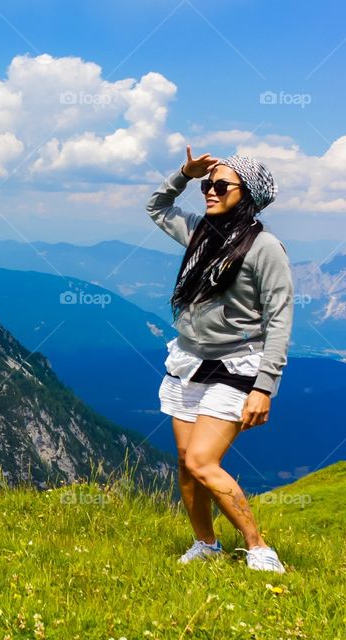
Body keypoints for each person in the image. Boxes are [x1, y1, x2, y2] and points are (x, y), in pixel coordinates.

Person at [145, 145, 294, 573]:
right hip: (188, 363)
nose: (209, 191)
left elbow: (280, 321)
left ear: (245, 194)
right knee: (185, 464)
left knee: (201, 461)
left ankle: (259, 548)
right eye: (207, 185)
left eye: (220, 185)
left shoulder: (266, 249)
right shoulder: (201, 232)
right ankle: (206, 544)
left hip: (236, 367)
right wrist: (184, 174)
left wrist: (264, 387)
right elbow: (157, 207)